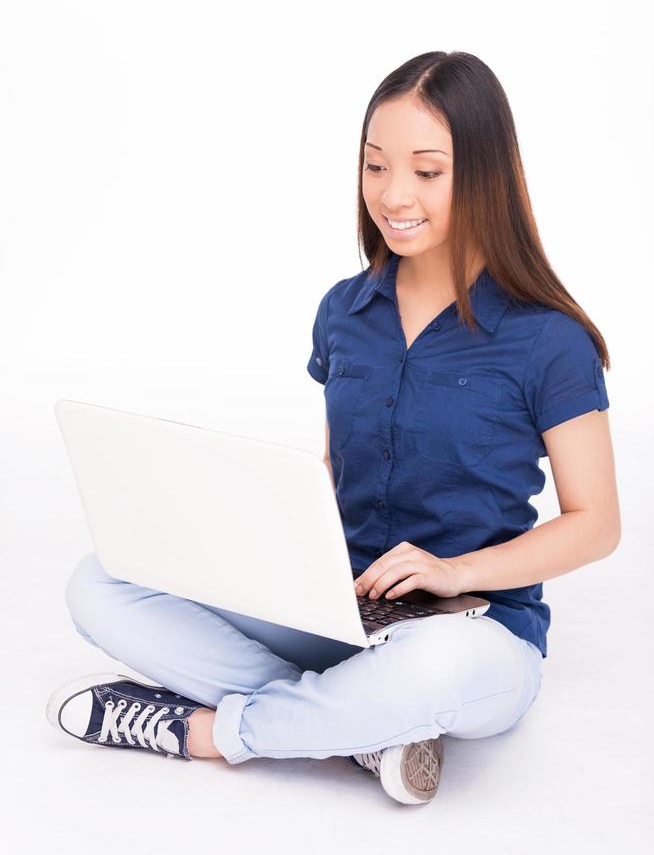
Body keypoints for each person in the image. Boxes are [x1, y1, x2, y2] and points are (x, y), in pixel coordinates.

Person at [46, 50, 621, 806]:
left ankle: (213, 733)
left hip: (470, 634)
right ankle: (360, 726)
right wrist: (260, 535)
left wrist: (457, 573)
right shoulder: (345, 312)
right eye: (375, 165)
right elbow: (334, 466)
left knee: (431, 672)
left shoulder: (549, 339)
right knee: (101, 579)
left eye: (426, 170)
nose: (392, 193)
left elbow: (596, 524)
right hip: (338, 606)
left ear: (483, 174)